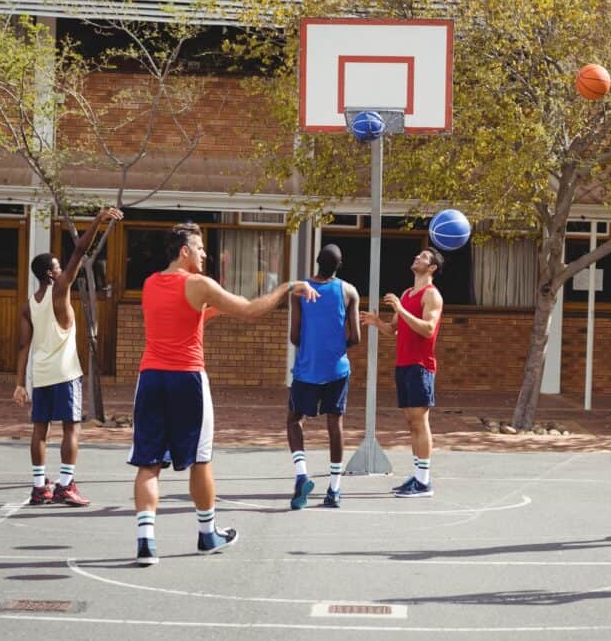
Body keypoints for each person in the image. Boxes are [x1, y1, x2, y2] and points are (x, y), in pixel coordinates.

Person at [128, 221, 318, 566]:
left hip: (151, 377)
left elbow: (182, 318)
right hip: (187, 379)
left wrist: (210, 309)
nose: (205, 253)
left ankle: (146, 543)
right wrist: (288, 286)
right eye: (200, 248)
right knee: (201, 461)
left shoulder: (150, 284)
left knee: (148, 463)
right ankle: (207, 534)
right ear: (184, 251)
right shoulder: (199, 284)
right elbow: (249, 311)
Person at [14, 207, 124, 507]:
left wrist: (20, 383)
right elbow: (80, 249)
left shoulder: (28, 305)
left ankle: (39, 488)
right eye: (58, 266)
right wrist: (98, 220)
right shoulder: (60, 289)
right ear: (51, 273)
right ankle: (65, 485)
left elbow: (23, 346)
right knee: (71, 429)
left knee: (40, 431)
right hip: (65, 374)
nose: (63, 269)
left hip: (41, 373)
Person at [360, 247, 444, 498]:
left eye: (423, 258)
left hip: (421, 365)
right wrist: (377, 323)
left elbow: (428, 329)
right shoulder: (408, 293)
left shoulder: (432, 296)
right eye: (417, 255)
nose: (416, 258)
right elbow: (395, 330)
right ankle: (418, 477)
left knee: (420, 421)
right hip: (404, 364)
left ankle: (424, 482)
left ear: (431, 268)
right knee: (411, 422)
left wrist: (400, 308)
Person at [287, 244, 361, 510]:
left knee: (294, 420)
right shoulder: (348, 291)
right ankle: (335, 490)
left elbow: (294, 336)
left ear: (316, 261)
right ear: (339, 267)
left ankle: (302, 474)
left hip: (307, 368)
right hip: (336, 369)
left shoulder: (300, 290)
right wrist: (335, 346)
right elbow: (355, 337)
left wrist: (312, 343)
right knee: (335, 424)